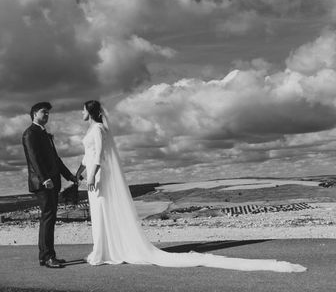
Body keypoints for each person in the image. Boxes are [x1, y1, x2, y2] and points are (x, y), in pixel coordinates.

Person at [80, 99, 306, 272]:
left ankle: (103, 252)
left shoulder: (99, 129)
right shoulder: (92, 131)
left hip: (99, 178)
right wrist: (80, 172)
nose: (81, 113)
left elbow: (99, 155)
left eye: (82, 110)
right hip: (93, 176)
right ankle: (104, 249)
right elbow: (87, 156)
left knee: (102, 211)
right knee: (99, 212)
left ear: (89, 112)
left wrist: (91, 176)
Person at [22, 101, 77, 268]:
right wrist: (45, 178)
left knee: (50, 218)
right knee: (48, 218)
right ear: (34, 114)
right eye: (43, 112)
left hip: (52, 182)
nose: (46, 115)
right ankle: (47, 257)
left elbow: (56, 160)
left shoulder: (44, 134)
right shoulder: (30, 133)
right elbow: (34, 159)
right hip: (44, 183)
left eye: (48, 113)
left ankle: (46, 256)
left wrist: (70, 176)